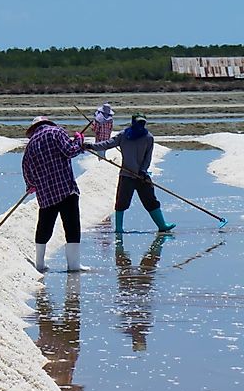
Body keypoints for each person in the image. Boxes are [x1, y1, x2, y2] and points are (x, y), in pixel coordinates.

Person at [22, 116, 90, 273]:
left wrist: (31, 185)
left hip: (46, 194)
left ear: (34, 129)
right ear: (47, 123)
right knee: (72, 226)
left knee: (44, 227)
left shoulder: (31, 144)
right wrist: (79, 141)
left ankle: (39, 263)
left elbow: (26, 168)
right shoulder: (56, 132)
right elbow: (70, 151)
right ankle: (73, 265)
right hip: (65, 188)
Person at [88, 114, 175, 235]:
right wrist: (91, 146)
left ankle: (162, 225)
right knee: (121, 202)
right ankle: (119, 229)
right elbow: (108, 143)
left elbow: (147, 158)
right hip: (126, 175)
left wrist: (143, 171)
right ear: (133, 123)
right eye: (139, 123)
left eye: (143, 123)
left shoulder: (148, 137)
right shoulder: (124, 135)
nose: (141, 126)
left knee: (151, 200)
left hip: (142, 176)